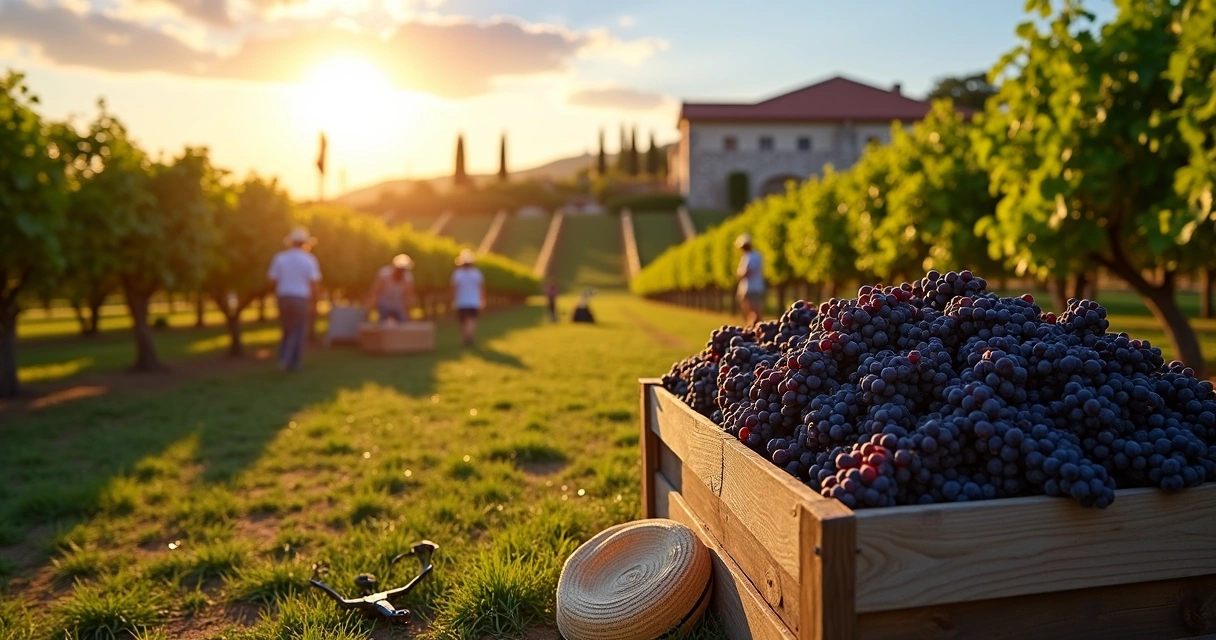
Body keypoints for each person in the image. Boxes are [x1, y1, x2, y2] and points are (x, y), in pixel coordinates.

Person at [268, 227, 322, 371]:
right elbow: (314, 283)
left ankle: (283, 358)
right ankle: (293, 361)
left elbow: (272, 280)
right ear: (305, 243)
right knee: (298, 330)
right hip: (300, 298)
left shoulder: (280, 258)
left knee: (286, 329)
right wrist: (315, 303)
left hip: (283, 297)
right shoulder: (309, 260)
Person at [366, 254, 416, 324]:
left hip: (398, 305)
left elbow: (408, 297)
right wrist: (370, 309)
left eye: (403, 270)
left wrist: (408, 313)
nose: (401, 272)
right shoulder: (383, 275)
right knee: (382, 324)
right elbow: (375, 292)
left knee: (402, 325)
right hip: (384, 304)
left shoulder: (408, 279)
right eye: (399, 269)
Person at [451, 249, 486, 347]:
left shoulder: (457, 274)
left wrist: (453, 299)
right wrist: (483, 299)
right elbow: (481, 288)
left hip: (461, 302)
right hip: (473, 301)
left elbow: (454, 288)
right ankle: (469, 337)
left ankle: (466, 338)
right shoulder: (476, 273)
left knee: (463, 321)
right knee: (471, 320)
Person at [735, 234, 765, 326]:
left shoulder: (750, 257)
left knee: (752, 312)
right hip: (756, 287)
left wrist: (739, 275)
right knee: (754, 311)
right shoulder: (756, 255)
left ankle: (753, 329)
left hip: (750, 288)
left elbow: (747, 272)